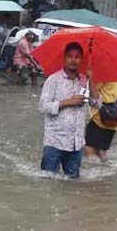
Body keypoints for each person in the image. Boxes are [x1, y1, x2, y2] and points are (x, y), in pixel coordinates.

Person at [39, 43, 88, 178]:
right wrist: (68, 102)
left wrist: (92, 80)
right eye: (70, 56)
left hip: (75, 144)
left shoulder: (84, 81)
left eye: (77, 57)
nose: (73, 60)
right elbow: (43, 106)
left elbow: (97, 104)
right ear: (64, 58)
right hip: (54, 141)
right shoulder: (53, 80)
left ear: (82, 60)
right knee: (47, 182)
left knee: (72, 185)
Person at [84, 79, 117, 162]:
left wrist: (90, 80)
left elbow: (94, 94)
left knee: (88, 148)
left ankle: (95, 171)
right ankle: (105, 166)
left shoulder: (102, 76)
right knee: (102, 151)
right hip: (113, 118)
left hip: (99, 118)